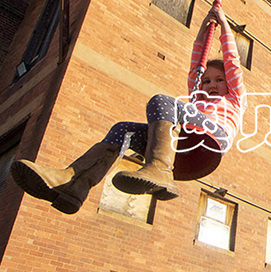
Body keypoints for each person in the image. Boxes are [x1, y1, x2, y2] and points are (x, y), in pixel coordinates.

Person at [10, 5, 246, 215]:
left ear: (229, 83)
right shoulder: (197, 97)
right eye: (206, 81)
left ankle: (159, 169)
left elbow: (232, 62)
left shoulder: (234, 97)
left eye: (219, 80)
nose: (211, 85)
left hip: (214, 137)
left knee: (162, 102)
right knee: (122, 129)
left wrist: (223, 25)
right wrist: (203, 29)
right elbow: (196, 64)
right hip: (185, 145)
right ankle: (73, 184)